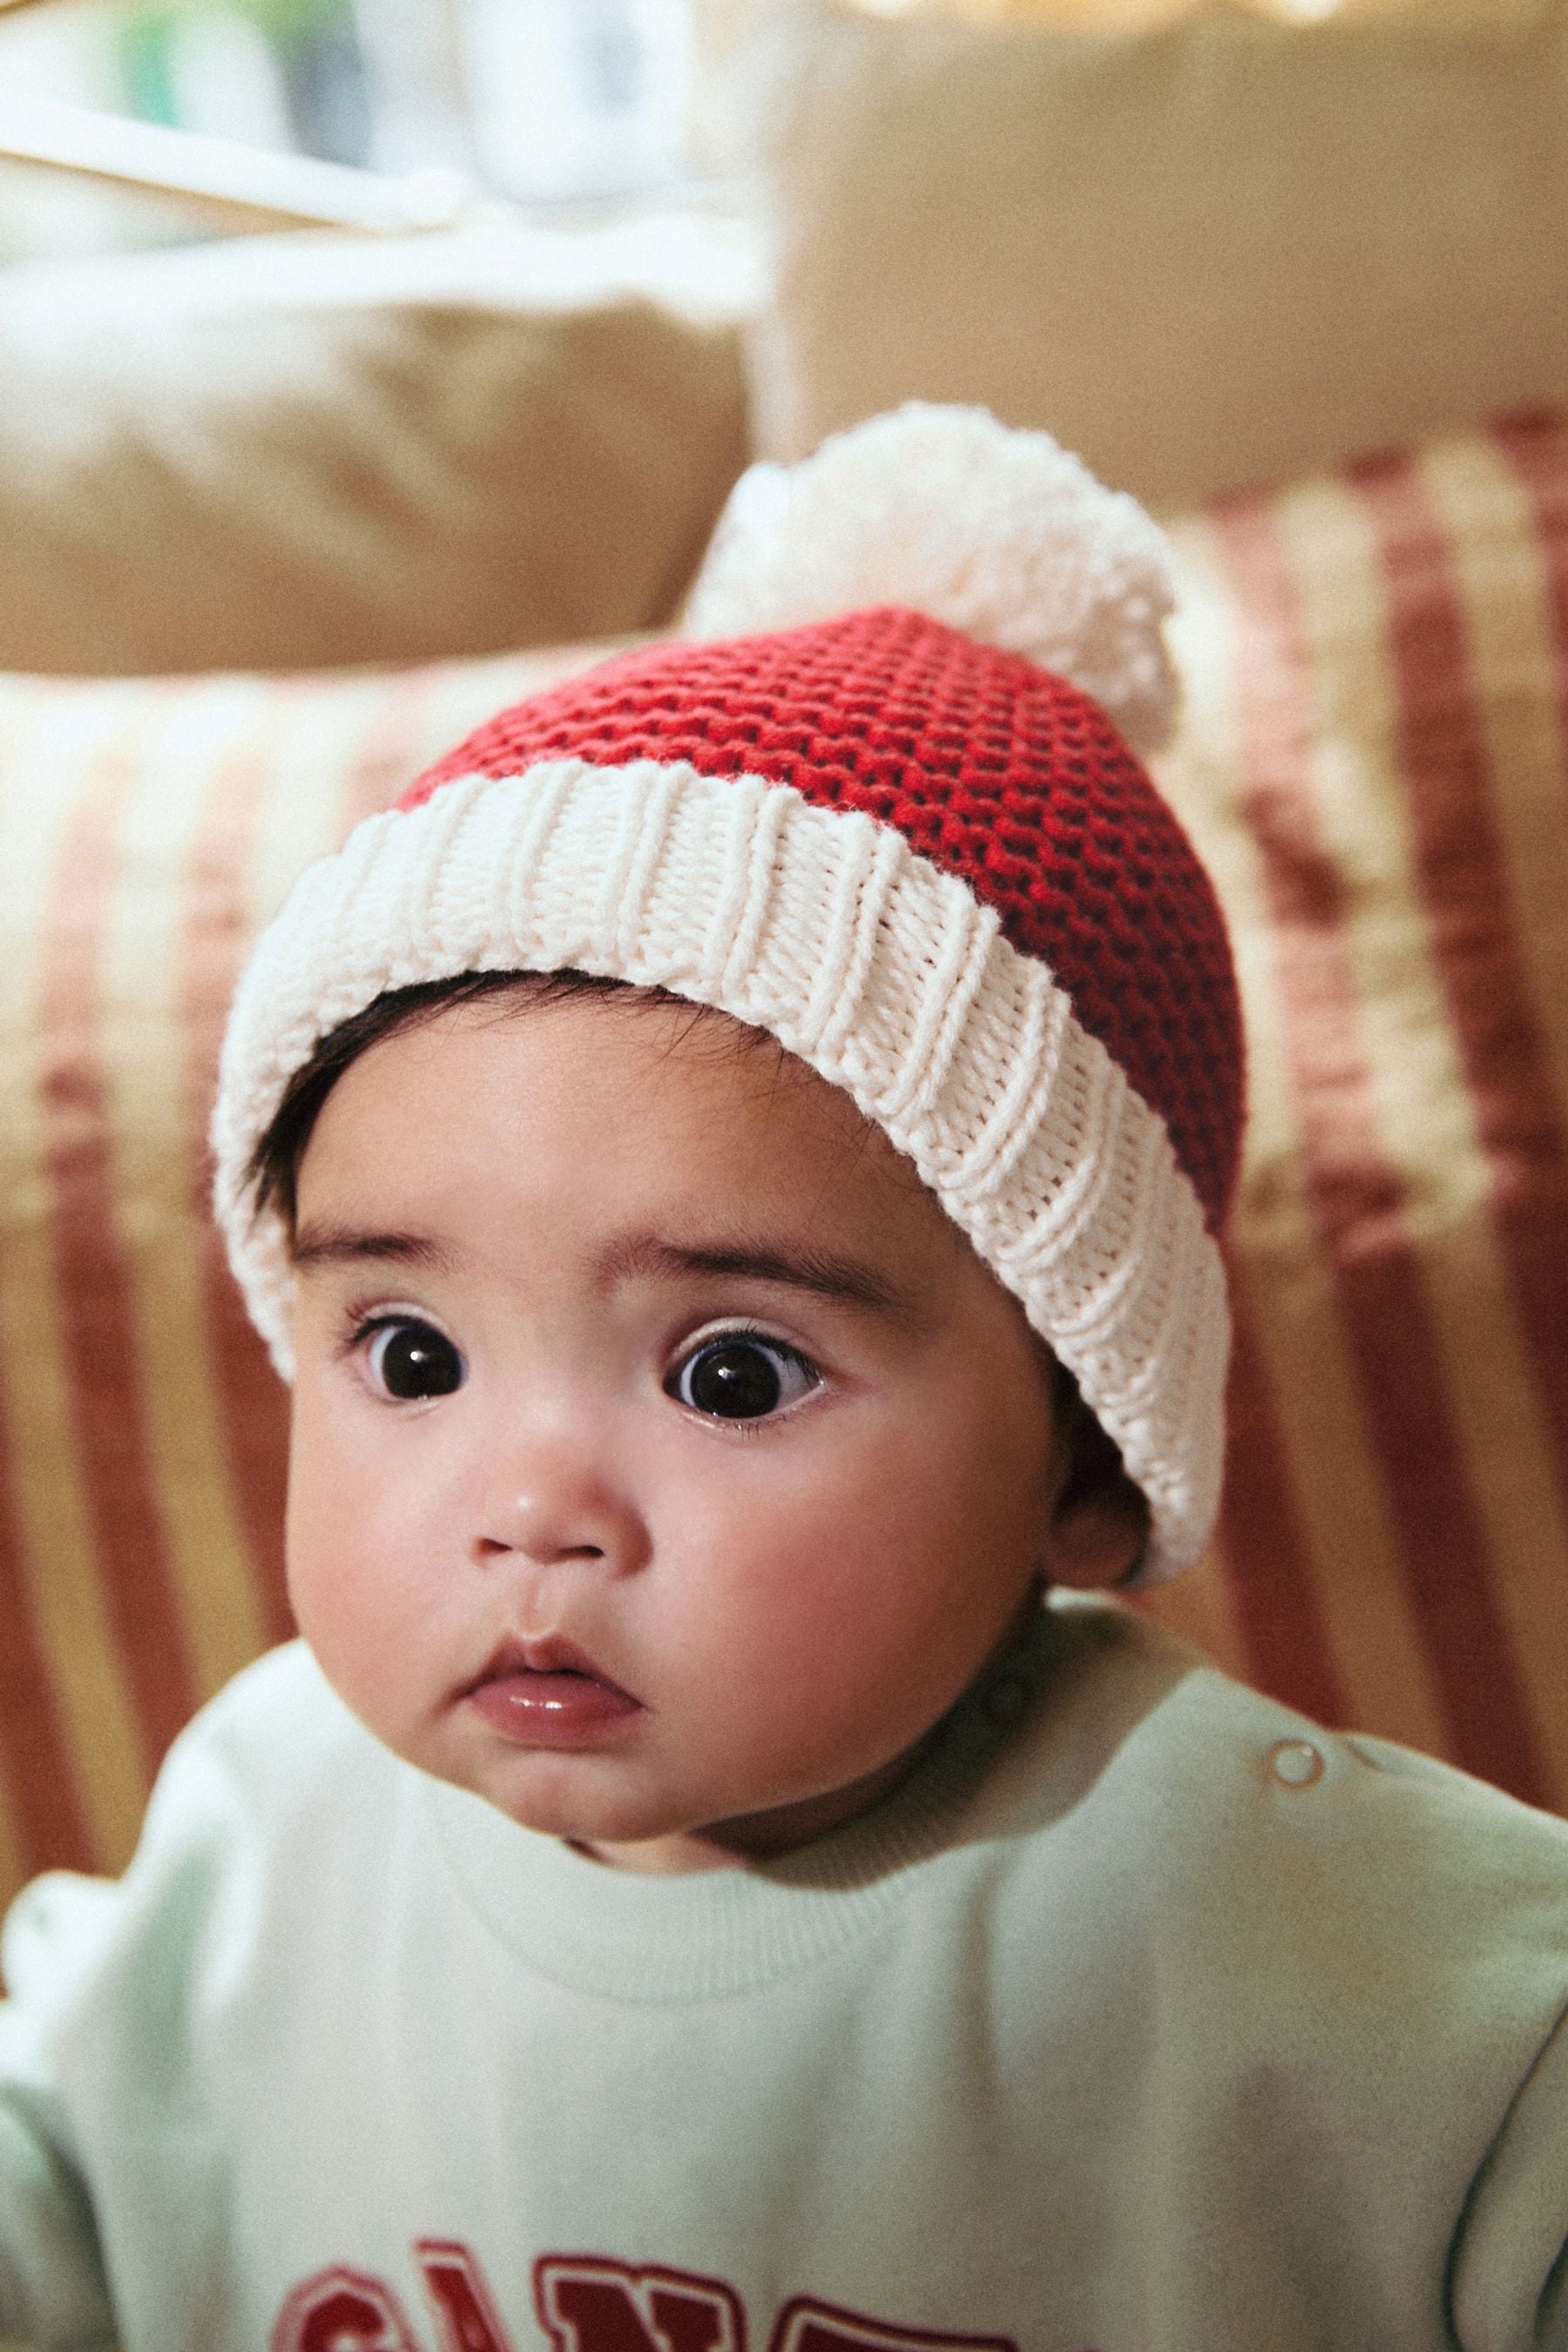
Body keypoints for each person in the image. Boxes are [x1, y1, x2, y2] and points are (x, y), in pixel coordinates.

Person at [1, 404, 1565, 2352]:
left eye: (735, 1375)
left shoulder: (1316, 1944)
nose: (533, 1504)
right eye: (412, 1354)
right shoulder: (268, 1824)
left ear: (1084, 1452)